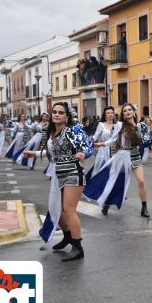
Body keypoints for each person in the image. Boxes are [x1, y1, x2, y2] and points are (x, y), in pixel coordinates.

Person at [23, 102, 93, 261]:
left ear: (66, 116)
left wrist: (85, 154)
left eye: (61, 112)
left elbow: (88, 145)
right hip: (57, 172)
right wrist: (34, 153)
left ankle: (77, 246)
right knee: (57, 209)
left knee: (69, 209)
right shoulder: (49, 131)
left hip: (73, 171)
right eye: (54, 112)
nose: (56, 115)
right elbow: (51, 153)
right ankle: (68, 236)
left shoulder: (73, 130)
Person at [84, 103, 152, 217]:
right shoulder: (120, 125)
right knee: (114, 181)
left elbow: (145, 139)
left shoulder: (140, 126)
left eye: (129, 110)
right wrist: (102, 144)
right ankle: (107, 203)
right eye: (125, 111)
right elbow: (113, 139)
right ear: (123, 114)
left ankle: (144, 207)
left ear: (134, 112)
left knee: (141, 181)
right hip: (123, 156)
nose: (127, 112)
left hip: (135, 156)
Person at [86, 106, 116, 182]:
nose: (110, 114)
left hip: (114, 151)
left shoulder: (117, 126)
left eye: (112, 112)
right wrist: (88, 140)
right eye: (108, 113)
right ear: (105, 115)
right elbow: (95, 137)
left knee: (112, 171)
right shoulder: (101, 125)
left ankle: (109, 190)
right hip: (103, 151)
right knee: (100, 169)